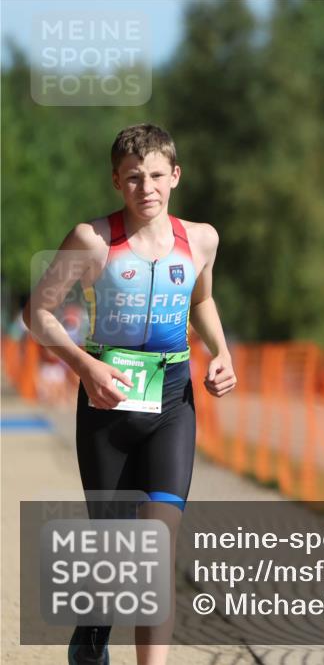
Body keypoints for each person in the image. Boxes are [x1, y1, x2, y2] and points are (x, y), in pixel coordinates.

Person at [21, 123, 237, 665]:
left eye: (157, 176)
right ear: (117, 181)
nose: (148, 188)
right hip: (107, 404)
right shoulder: (92, 240)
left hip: (172, 402)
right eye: (135, 177)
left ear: (176, 176)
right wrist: (85, 365)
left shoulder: (201, 240)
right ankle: (92, 633)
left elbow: (201, 301)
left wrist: (222, 352)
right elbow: (37, 313)